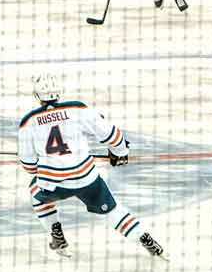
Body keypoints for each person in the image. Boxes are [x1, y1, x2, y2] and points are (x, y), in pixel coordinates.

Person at [17, 76, 167, 259]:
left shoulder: (28, 122)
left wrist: (44, 165)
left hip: (55, 183)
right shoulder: (77, 109)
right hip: (86, 178)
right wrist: (120, 152)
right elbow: (111, 134)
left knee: (36, 192)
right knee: (113, 210)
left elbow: (29, 165)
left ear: (37, 95)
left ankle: (57, 235)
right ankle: (145, 238)